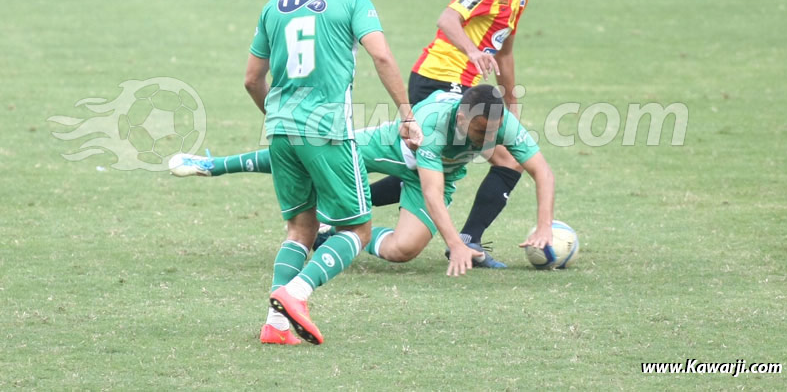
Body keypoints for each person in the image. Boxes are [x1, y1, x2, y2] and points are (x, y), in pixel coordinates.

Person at [240, 0, 421, 345]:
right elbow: (381, 57)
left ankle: (276, 325)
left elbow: (251, 79)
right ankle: (296, 293)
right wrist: (407, 114)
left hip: (281, 130)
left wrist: (280, 117)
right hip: (327, 131)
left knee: (300, 229)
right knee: (356, 231)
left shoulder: (273, 5)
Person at [170, 84, 555, 282]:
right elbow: (433, 193)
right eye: (478, 130)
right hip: (387, 148)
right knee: (310, 151)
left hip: (437, 173)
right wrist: (455, 244)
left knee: (403, 251)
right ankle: (213, 164)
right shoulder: (436, 123)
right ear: (461, 116)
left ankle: (329, 232)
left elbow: (543, 172)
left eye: (492, 132)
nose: (487, 140)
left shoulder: (500, 121)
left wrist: (543, 226)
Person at [369, 0, 569, 268]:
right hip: (439, 80)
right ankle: (465, 240)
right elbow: (447, 19)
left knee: (429, 168)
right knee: (493, 162)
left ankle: (344, 209)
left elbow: (504, 51)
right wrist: (472, 51)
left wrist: (511, 100)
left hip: (470, 87)